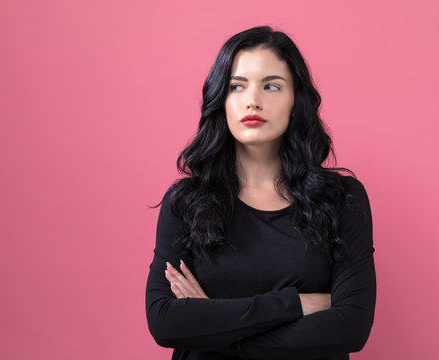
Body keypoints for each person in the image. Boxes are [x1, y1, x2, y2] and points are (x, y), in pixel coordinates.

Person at [145, 26, 376, 360]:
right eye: (237, 86)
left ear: (297, 101)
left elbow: (351, 327)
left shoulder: (342, 199)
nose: (253, 100)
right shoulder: (186, 202)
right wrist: (297, 303)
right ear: (220, 101)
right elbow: (165, 322)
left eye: (271, 86)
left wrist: (212, 329)